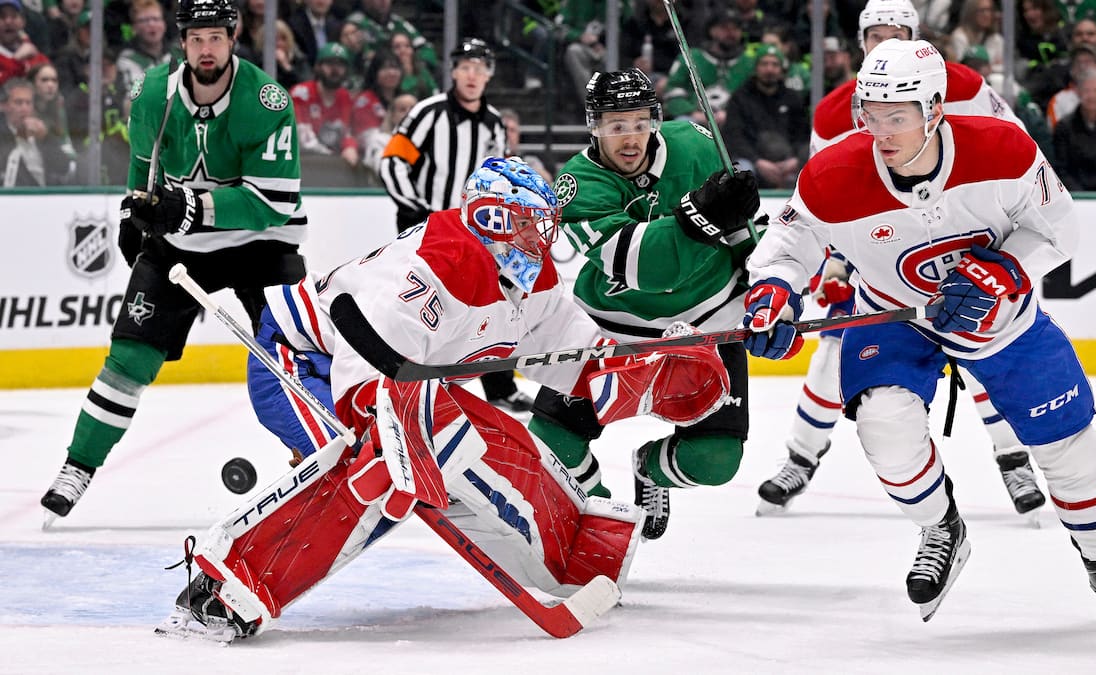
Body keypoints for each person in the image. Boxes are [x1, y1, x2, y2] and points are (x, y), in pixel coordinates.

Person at [162, 157, 729, 640]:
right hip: (298, 363)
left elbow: (576, 357)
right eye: (530, 228)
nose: (541, 242)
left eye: (545, 229)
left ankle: (579, 553)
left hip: (401, 384)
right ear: (490, 219)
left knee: (491, 439)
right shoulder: (434, 265)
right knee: (377, 471)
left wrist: (650, 367)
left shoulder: (531, 280)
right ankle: (223, 590)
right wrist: (398, 443)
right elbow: (365, 357)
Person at [743, 37, 1096, 627]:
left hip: (999, 319)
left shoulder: (1003, 149)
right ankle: (940, 529)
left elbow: (1060, 230)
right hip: (895, 317)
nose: (882, 132)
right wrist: (772, 291)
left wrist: (1003, 270)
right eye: (872, 117)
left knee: (1069, 444)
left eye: (897, 117)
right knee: (885, 427)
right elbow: (786, 245)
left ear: (935, 110)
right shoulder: (832, 173)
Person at [760, 0, 1044, 519]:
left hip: (971, 246)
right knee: (831, 357)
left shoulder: (964, 86)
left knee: (989, 349)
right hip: (883, 255)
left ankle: (1013, 458)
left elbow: (1019, 147)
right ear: (859, 41)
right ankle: (800, 457)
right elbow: (826, 198)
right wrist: (838, 266)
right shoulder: (835, 111)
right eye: (876, 35)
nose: (885, 44)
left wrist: (1004, 247)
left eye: (897, 33)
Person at [39, 0, 308, 525]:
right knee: (129, 359)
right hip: (181, 242)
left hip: (262, 243)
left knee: (296, 351)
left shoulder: (267, 100)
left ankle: (323, 453)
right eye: (196, 39)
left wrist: (190, 207)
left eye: (216, 38)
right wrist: (132, 208)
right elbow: (145, 162)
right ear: (181, 44)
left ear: (233, 39)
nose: (206, 49)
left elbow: (273, 200)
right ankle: (78, 466)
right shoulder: (153, 93)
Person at [531, 68, 761, 540]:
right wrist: (699, 217)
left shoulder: (696, 144)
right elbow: (642, 267)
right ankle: (601, 517)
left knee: (714, 461)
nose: (629, 138)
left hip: (708, 322)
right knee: (551, 442)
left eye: (638, 123)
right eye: (615, 126)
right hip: (614, 330)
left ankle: (650, 470)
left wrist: (764, 289)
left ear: (656, 119)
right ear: (593, 127)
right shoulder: (576, 183)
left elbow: (740, 230)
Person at [379, 38, 530, 415]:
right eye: (466, 67)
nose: (473, 75)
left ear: (490, 75)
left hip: (475, 231)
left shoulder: (494, 123)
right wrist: (415, 210)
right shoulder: (428, 112)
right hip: (425, 225)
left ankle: (499, 386)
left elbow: (501, 180)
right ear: (453, 71)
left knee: (493, 306)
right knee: (419, 305)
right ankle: (408, 383)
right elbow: (393, 161)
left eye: (480, 68)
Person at [722, 43, 808, 189]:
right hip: (751, 159)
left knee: (807, 170)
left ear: (782, 70)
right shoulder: (740, 97)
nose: (769, 69)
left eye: (775, 64)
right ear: (756, 68)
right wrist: (758, 161)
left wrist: (795, 160)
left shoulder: (793, 98)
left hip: (787, 161)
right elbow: (734, 136)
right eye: (764, 64)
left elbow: (803, 135)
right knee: (742, 172)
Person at [291, 42, 358, 169]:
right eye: (329, 64)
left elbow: (348, 132)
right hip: (302, 166)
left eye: (340, 65)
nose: (335, 70)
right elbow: (304, 141)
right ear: (318, 67)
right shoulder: (301, 93)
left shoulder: (345, 97)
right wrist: (334, 156)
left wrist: (350, 147)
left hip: (333, 167)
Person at [0, 76, 71, 185]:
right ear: (4, 106)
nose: (24, 108)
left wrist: (46, 138)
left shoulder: (43, 132)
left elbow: (63, 167)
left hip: (45, 197)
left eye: (28, 103)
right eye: (18, 103)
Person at [116, 0, 173, 92]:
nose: (151, 24)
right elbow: (133, 99)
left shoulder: (178, 54)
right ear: (135, 27)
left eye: (156, 19)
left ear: (164, 24)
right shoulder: (127, 59)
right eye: (144, 20)